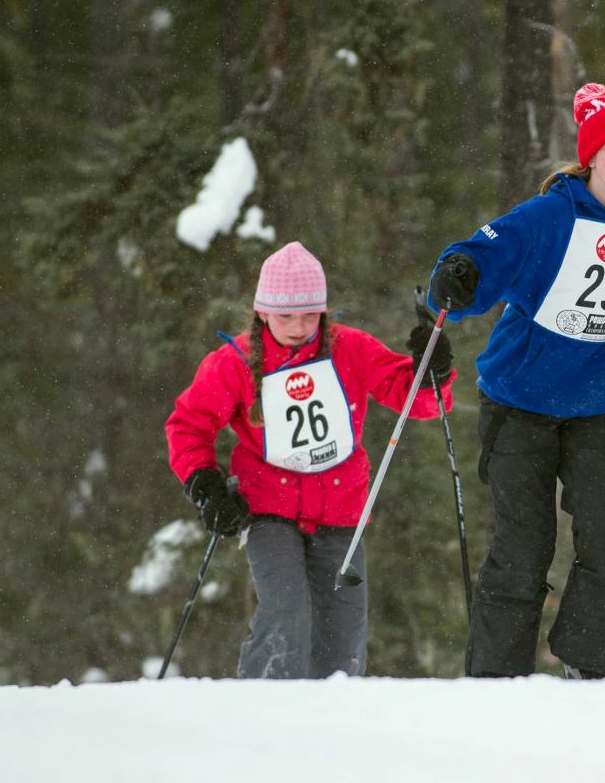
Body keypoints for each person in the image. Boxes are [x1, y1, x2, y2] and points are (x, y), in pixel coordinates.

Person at [427, 83, 605, 679]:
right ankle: (496, 679)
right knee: (523, 546)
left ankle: (590, 670)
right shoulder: (548, 214)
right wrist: (455, 278)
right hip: (518, 399)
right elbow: (477, 261)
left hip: (597, 403)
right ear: (590, 152)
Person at [166, 241, 455, 679]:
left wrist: (431, 369)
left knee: (343, 631)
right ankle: (265, 706)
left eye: (309, 315)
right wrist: (204, 482)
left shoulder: (349, 349)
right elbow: (189, 424)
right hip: (267, 510)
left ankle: (334, 721)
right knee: (286, 611)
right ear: (262, 312)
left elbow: (418, 400)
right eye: (286, 316)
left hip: (342, 512)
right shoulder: (236, 362)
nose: (299, 327)